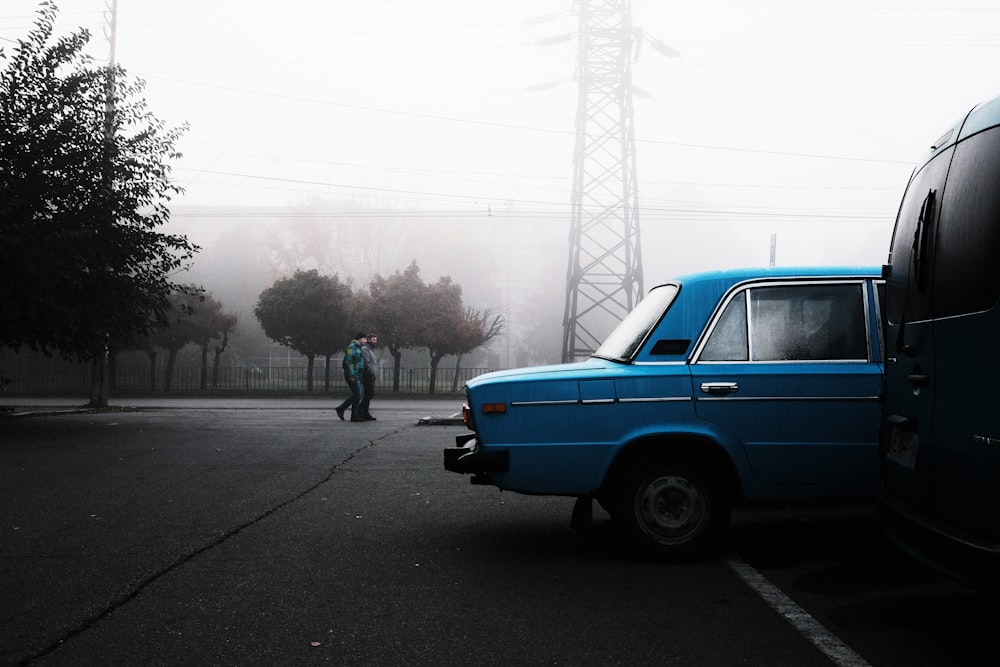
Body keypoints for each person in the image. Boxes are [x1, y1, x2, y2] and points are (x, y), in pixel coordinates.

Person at [336, 334, 366, 422]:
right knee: (357, 394)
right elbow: (349, 362)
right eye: (364, 339)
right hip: (353, 375)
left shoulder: (358, 347)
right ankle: (341, 408)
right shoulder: (352, 347)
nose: (366, 341)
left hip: (358, 375)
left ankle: (354, 415)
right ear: (360, 339)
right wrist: (352, 375)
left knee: (357, 395)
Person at [358, 333, 379, 420]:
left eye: (376, 340)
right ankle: (359, 409)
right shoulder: (365, 349)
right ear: (368, 340)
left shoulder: (371, 350)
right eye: (374, 340)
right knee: (371, 393)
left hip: (371, 374)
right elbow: (366, 362)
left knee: (367, 394)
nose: (375, 342)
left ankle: (365, 413)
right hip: (367, 375)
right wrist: (370, 372)